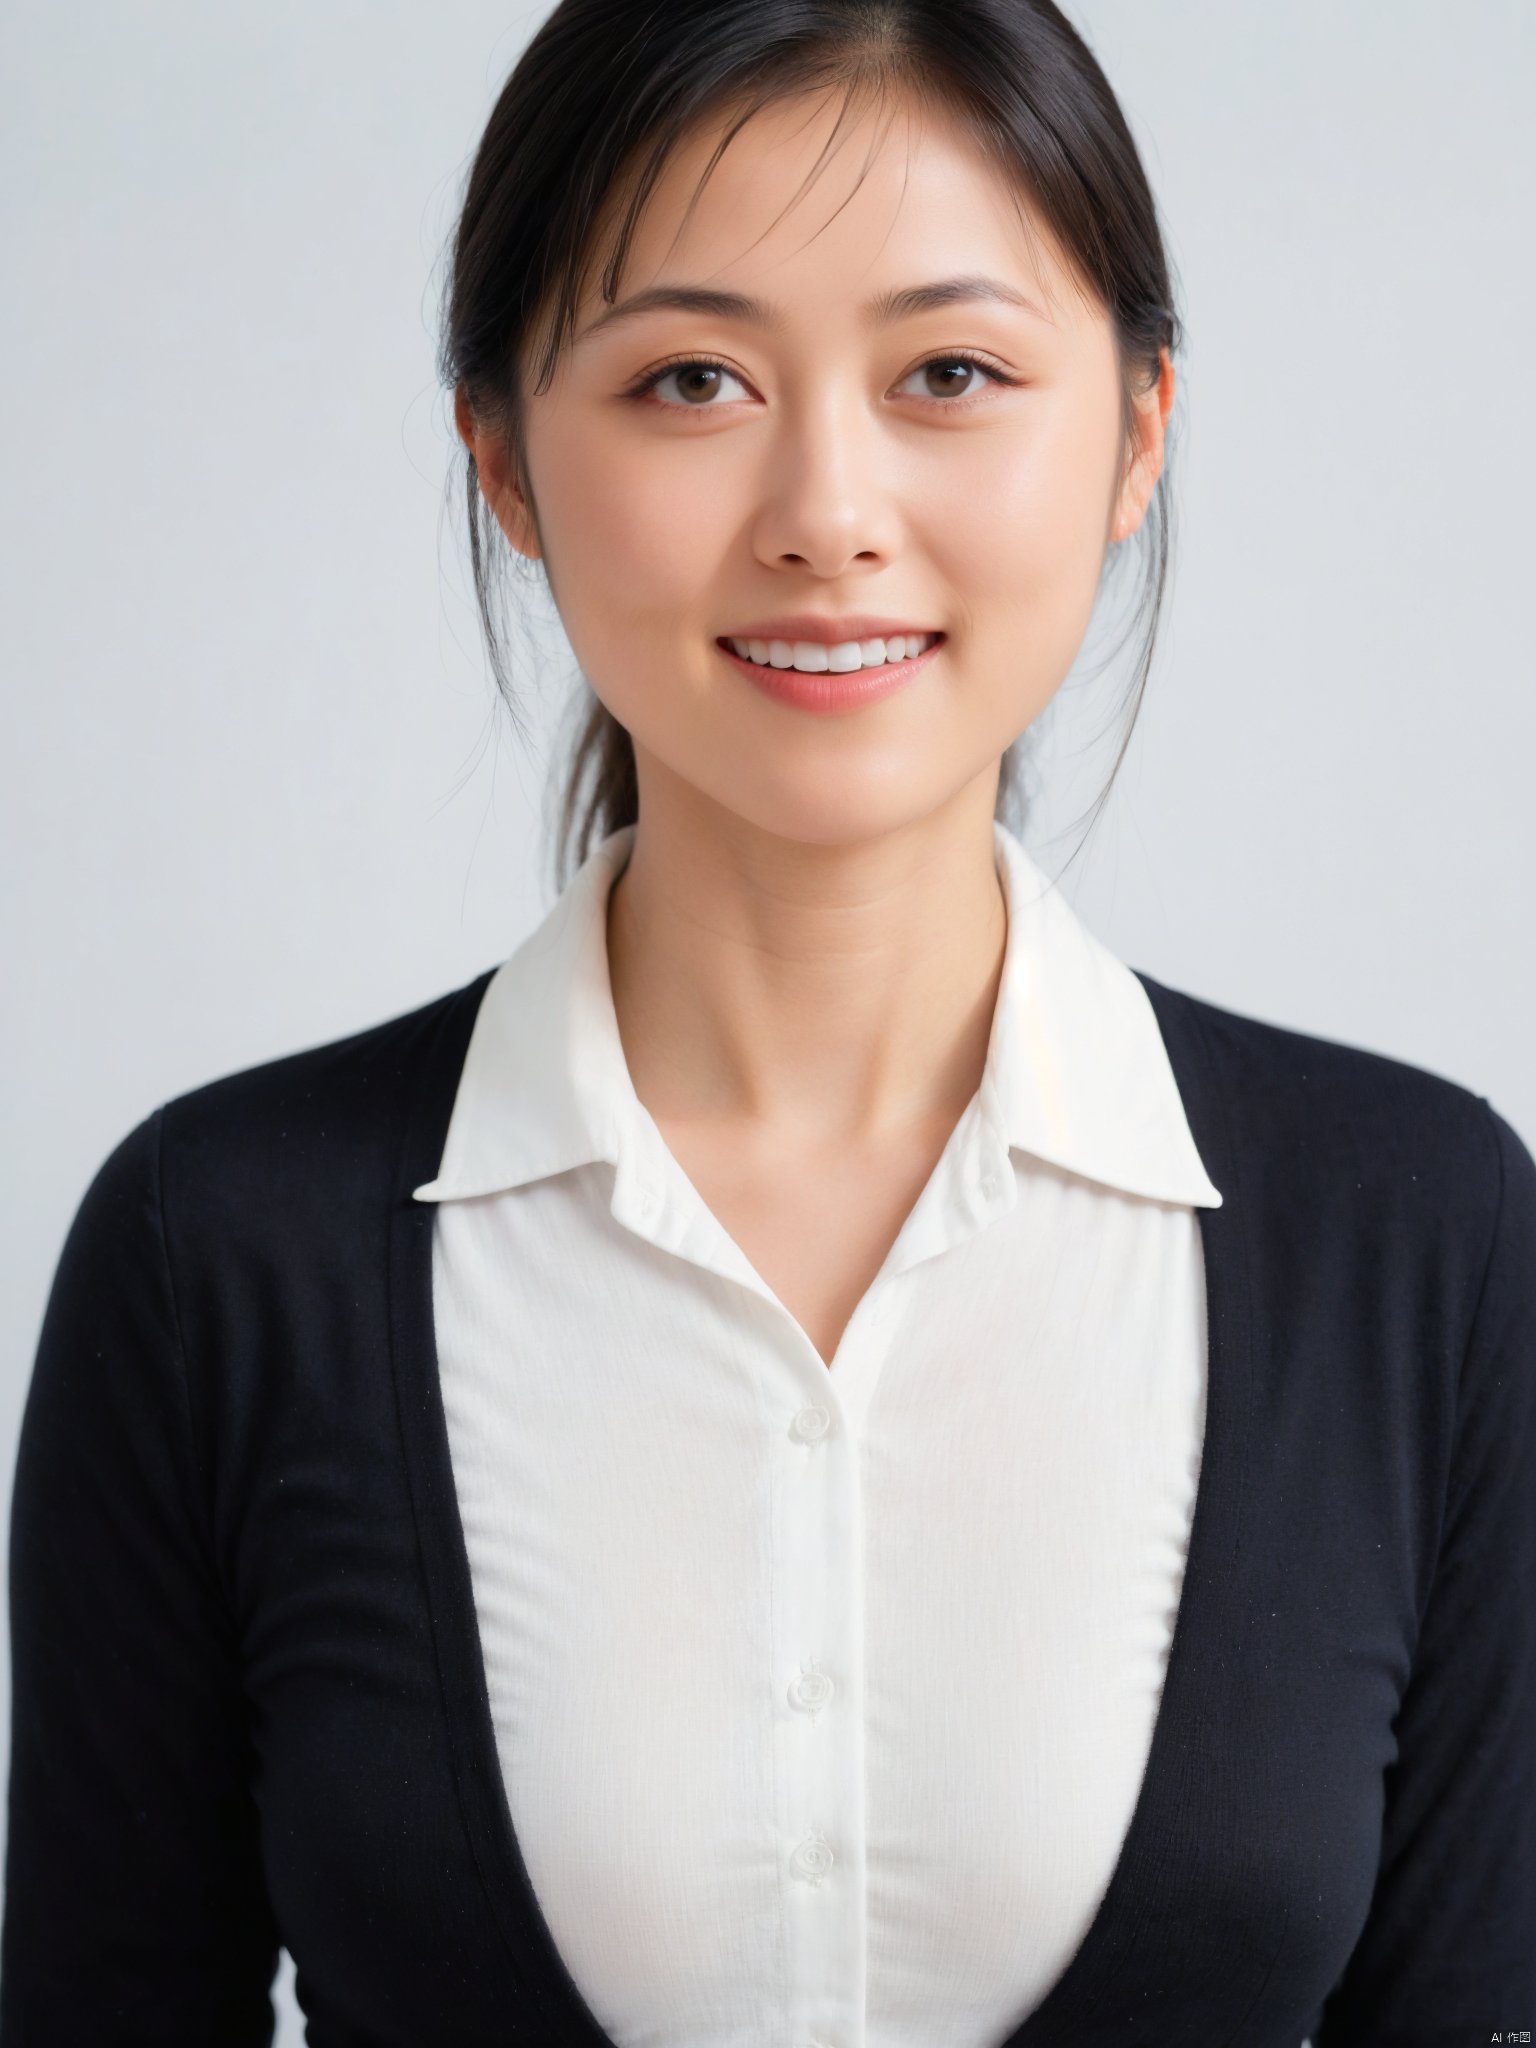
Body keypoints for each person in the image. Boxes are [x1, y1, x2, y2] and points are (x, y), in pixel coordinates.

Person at [3, 2, 1532, 2042]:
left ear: (1138, 432)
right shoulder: (218, 1256)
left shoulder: (1421, 1244)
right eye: (690, 378)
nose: (827, 506)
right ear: (506, 459)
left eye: (952, 374)